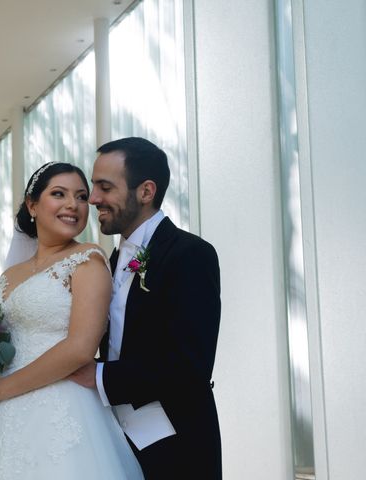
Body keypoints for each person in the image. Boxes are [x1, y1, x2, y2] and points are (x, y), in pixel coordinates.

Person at [0, 162, 144, 479]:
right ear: (32, 204)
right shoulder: (9, 276)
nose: (74, 205)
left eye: (81, 197)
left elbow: (81, 348)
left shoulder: (87, 260)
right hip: (5, 417)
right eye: (59, 194)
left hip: (63, 407)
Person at [67, 137, 222, 479]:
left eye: (104, 187)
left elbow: (191, 366)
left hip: (177, 446)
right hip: (113, 439)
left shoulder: (190, 254)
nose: (93, 199)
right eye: (94, 186)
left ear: (146, 192)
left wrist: (100, 376)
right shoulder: (109, 260)